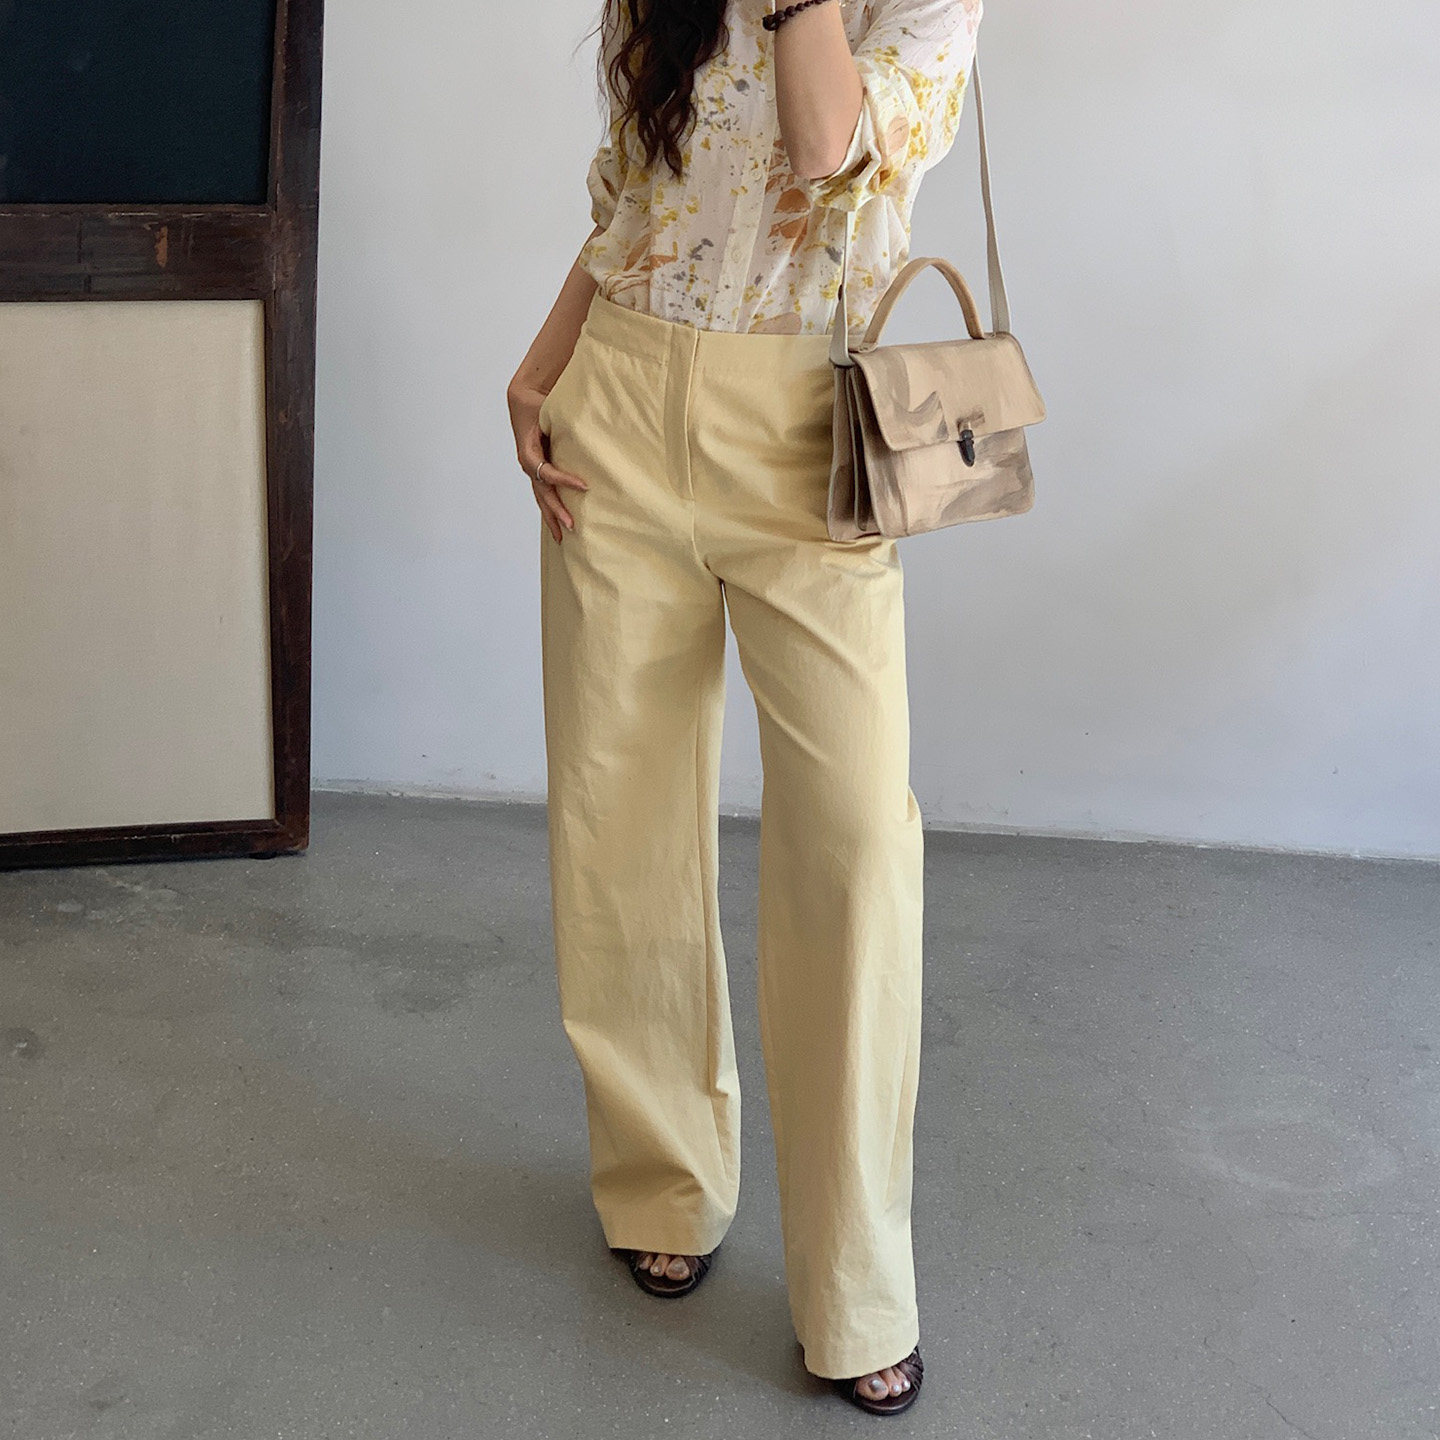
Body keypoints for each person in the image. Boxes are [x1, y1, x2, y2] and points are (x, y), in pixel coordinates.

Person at [505, 0, 983, 1416]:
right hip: (621, 404)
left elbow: (830, 144)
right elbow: (629, 201)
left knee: (854, 847)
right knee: (620, 813)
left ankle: (857, 1286)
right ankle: (662, 1174)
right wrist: (541, 366)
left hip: (811, 440)